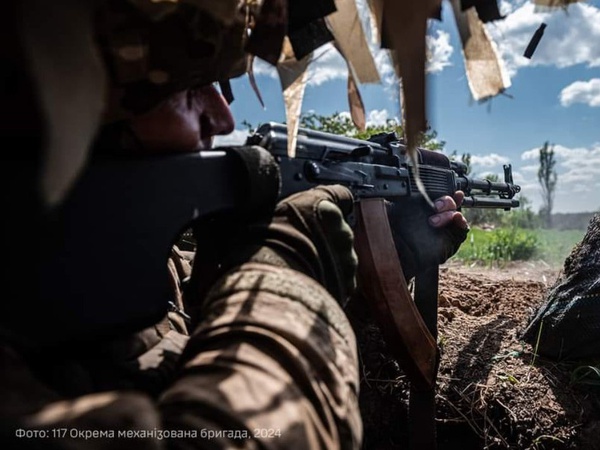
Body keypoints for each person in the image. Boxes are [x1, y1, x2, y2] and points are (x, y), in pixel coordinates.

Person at [1, 2, 469, 448]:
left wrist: (385, 259)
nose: (223, 117)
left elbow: (228, 335)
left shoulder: (142, 268)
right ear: (64, 108)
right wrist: (285, 272)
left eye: (220, 88)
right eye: (187, 89)